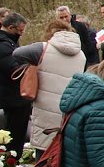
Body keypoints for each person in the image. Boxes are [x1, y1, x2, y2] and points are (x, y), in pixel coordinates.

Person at [13, 18, 86, 154]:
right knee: (64, 153)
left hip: (45, 108)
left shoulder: (42, 48)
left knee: (43, 154)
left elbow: (17, 54)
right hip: (69, 108)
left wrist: (32, 66)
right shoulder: (81, 54)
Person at [0, 13, 31, 157]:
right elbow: (14, 71)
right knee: (14, 135)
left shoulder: (9, 43)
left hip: (15, 97)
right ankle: (11, 161)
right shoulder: (3, 45)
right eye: (20, 31)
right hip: (13, 98)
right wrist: (30, 66)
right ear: (11, 27)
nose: (21, 34)